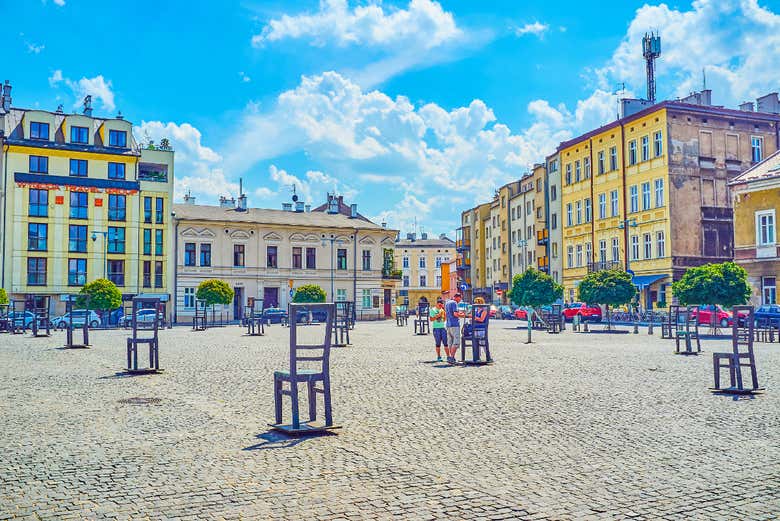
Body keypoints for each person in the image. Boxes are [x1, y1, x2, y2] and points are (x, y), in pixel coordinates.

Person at [444, 293, 464, 364]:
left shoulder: (447, 303)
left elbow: (447, 314)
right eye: (460, 298)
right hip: (454, 324)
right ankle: (452, 357)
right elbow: (455, 314)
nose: (460, 300)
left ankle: (451, 357)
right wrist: (463, 315)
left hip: (448, 324)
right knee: (456, 342)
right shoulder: (454, 303)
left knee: (450, 342)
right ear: (457, 297)